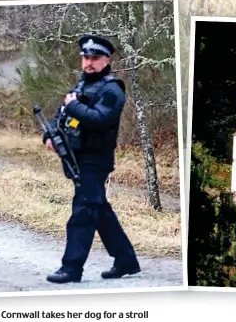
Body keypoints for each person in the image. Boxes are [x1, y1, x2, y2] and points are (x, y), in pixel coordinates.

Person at [43, 35, 140, 284]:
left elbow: (100, 118)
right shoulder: (80, 87)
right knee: (99, 210)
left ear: (106, 60)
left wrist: (73, 107)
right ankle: (126, 260)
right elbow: (61, 116)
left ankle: (71, 268)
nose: (89, 62)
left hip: (96, 160)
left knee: (83, 213)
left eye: (95, 58)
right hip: (77, 158)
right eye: (86, 58)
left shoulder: (112, 89)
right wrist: (49, 135)